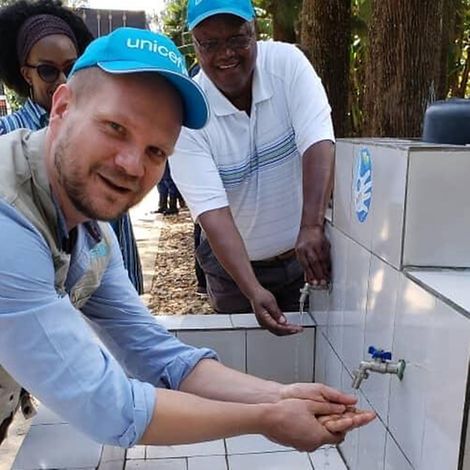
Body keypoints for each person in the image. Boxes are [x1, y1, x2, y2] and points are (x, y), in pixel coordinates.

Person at [0, 27, 375, 450]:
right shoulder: (8, 221)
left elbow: (155, 351)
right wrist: (266, 418)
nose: (130, 165)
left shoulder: (89, 227)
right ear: (63, 107)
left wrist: (279, 395)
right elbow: (109, 407)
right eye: (114, 127)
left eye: (155, 151)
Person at [170, 0, 335, 336]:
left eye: (236, 39)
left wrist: (311, 226)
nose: (225, 54)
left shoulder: (287, 64)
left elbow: (318, 140)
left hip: (305, 255)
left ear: (255, 32)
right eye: (210, 44)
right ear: (194, 45)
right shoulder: (188, 115)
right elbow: (212, 214)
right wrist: (251, 288)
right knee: (247, 365)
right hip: (233, 274)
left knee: (310, 355)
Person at [0, 0, 144, 295]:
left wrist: (130, 293)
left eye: (71, 68)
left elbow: (115, 225)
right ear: (26, 73)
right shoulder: (5, 135)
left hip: (100, 301)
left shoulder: (105, 132)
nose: (63, 81)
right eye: (48, 71)